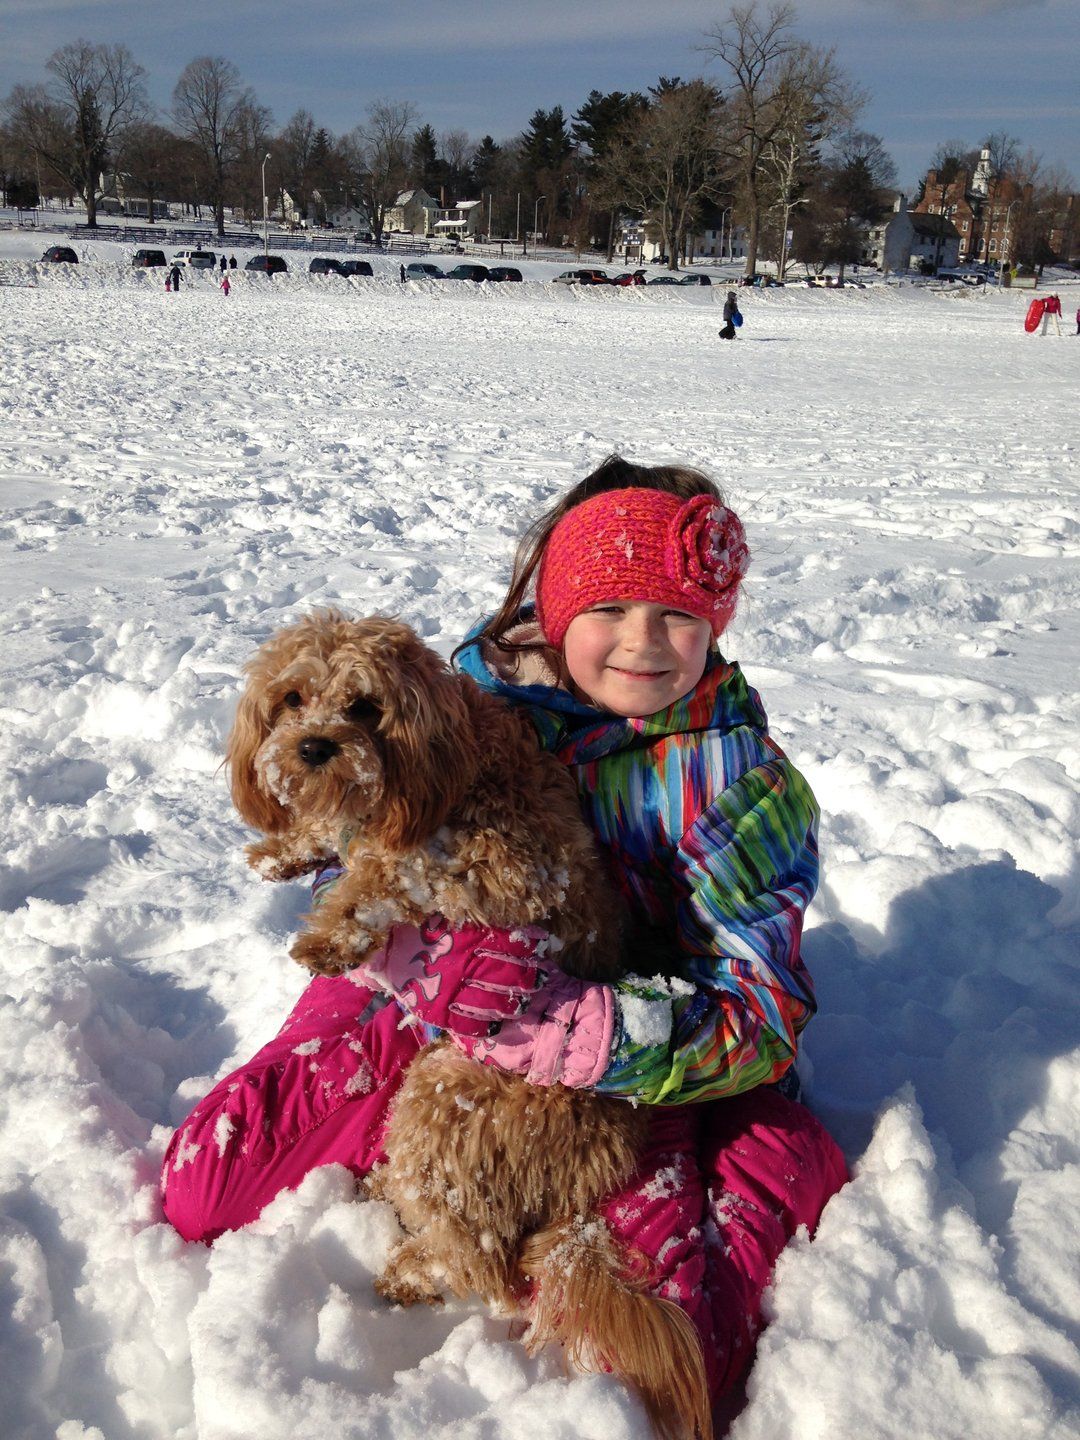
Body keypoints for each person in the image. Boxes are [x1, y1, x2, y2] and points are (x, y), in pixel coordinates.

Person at [161, 456, 846, 1426]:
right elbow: (357, 822)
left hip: (640, 1042)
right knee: (207, 1181)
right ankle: (454, 1170)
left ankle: (728, 1180)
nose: (642, 644)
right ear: (558, 609)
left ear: (714, 624)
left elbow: (762, 1011)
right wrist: (406, 954)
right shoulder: (471, 696)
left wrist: (580, 1032)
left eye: (678, 616)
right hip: (436, 997)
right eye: (610, 608)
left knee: (657, 1359)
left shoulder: (737, 779)